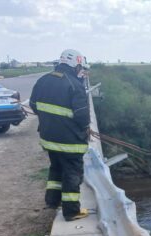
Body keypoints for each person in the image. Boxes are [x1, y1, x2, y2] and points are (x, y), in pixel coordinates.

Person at [30, 49, 90, 221]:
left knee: (56, 168)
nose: (81, 70)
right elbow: (82, 117)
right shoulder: (74, 84)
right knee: (72, 173)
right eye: (81, 67)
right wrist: (84, 129)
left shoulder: (43, 80)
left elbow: (34, 105)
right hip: (70, 141)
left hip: (49, 138)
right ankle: (71, 211)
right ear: (76, 64)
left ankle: (52, 201)